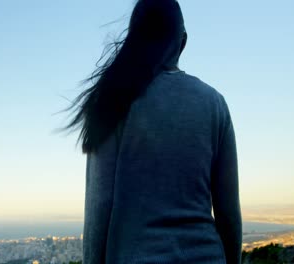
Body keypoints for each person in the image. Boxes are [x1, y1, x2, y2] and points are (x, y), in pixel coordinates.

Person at [63, 0, 242, 263]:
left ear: (134, 38)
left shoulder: (114, 100)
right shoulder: (214, 103)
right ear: (183, 42)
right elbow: (228, 213)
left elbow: (99, 205)